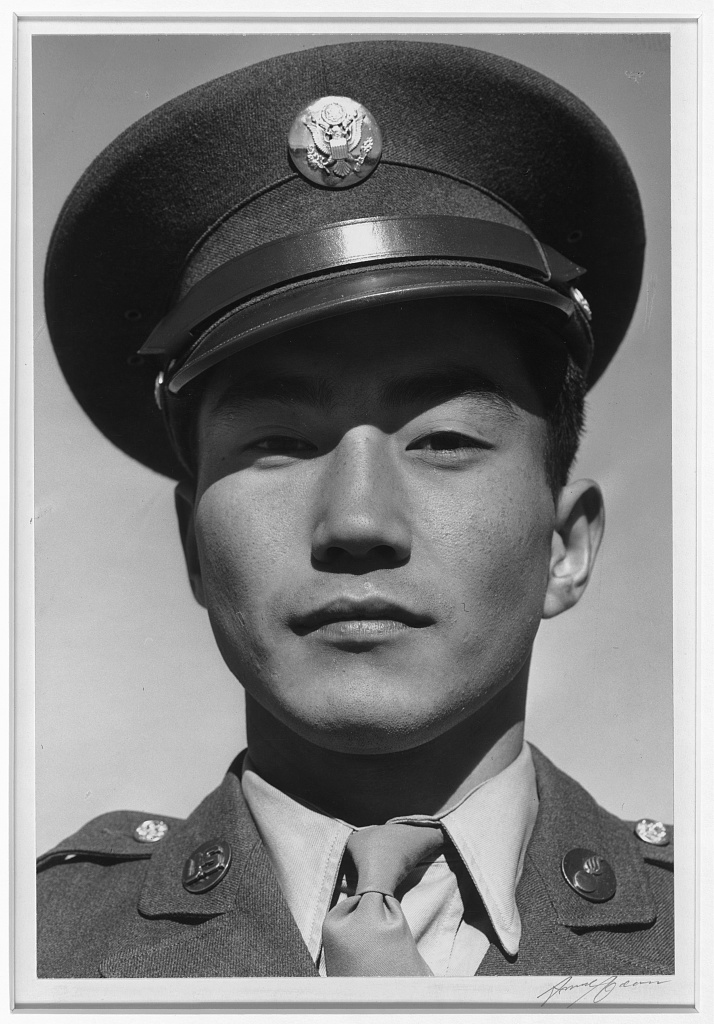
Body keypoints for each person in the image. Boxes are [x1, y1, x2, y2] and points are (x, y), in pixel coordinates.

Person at [36, 39, 673, 979]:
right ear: (193, 551)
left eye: (445, 441)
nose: (357, 523)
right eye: (280, 444)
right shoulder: (42, 948)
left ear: (566, 546)